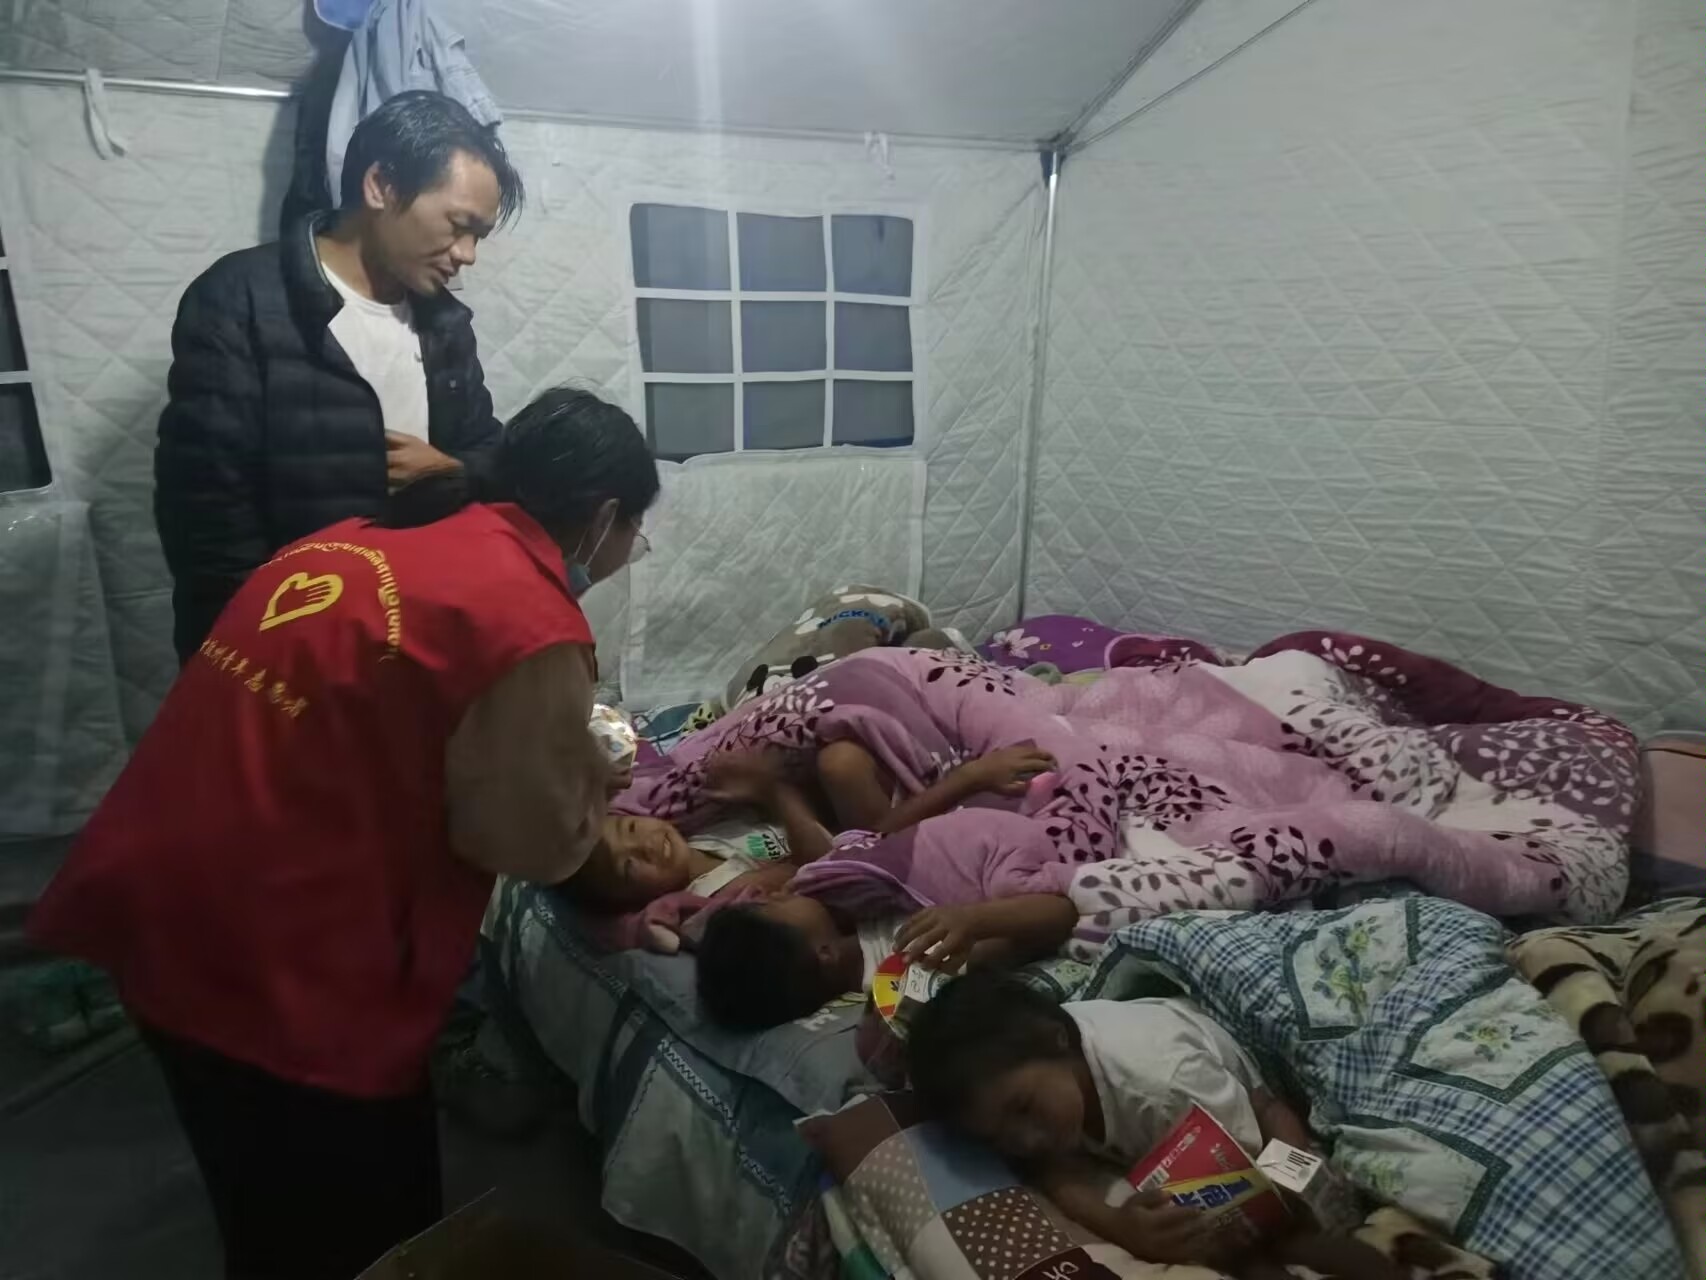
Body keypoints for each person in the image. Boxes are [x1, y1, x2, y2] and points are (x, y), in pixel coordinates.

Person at [30, 387, 658, 1280]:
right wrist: (591, 779)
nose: (629, 551)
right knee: (367, 1225)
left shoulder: (348, 542)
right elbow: (526, 841)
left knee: (254, 1199)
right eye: (635, 531)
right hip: (280, 962)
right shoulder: (524, 617)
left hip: (152, 905)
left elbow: (370, 726)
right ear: (603, 518)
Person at [155, 89, 523, 664]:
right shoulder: (239, 300)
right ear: (381, 186)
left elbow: (486, 450)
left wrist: (453, 472)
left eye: (480, 235)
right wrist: (264, 653)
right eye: (459, 225)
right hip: (284, 646)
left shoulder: (446, 324)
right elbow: (208, 516)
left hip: (411, 631)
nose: (468, 254)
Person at [905, 973, 1396, 1278]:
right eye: (998, 1138)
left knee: (1290, 1214)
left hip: (1257, 1103)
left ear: (1057, 1042)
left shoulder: (1160, 1087)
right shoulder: (1036, 1077)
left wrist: (1275, 1208)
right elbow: (1054, 1174)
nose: (1026, 1140)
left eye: (1024, 1108)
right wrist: (1122, 1228)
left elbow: (1249, 1178)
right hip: (1184, 1089)